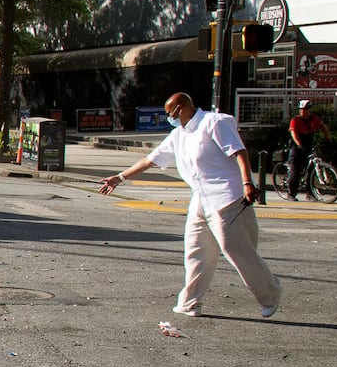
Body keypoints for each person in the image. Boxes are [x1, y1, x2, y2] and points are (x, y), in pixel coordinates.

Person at [98, 92, 282, 319]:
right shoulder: (178, 135)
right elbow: (151, 159)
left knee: (235, 249)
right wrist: (120, 177)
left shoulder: (215, 122)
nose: (168, 118)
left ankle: (270, 293)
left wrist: (247, 183)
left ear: (180, 109)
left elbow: (239, 151)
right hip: (201, 198)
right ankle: (190, 302)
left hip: (227, 195)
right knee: (196, 250)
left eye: (169, 113)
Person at [286, 99, 327, 201]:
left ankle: (310, 193)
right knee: (295, 171)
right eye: (303, 109)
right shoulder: (295, 120)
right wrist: (299, 144)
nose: (306, 111)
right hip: (297, 147)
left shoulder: (314, 119)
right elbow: (293, 134)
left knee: (311, 170)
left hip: (308, 145)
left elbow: (323, 127)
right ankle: (291, 193)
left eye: (308, 109)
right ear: (300, 110)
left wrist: (327, 139)